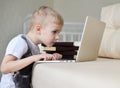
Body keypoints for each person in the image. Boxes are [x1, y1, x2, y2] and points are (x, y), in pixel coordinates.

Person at [0, 6, 64, 88]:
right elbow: (4, 68)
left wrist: (51, 57)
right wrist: (35, 57)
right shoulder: (20, 42)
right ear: (38, 29)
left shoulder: (35, 47)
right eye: (54, 32)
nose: (58, 37)